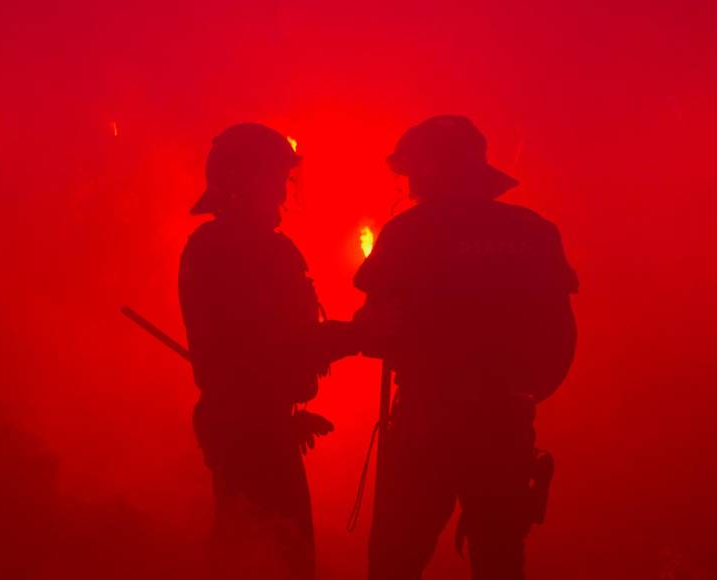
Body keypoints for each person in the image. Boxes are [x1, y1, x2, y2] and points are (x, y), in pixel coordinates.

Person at [353, 115, 578, 580]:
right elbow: (560, 336)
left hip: (426, 423)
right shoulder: (535, 232)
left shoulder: (408, 233)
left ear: (429, 172)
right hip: (505, 426)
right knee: (499, 557)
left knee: (397, 557)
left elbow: (375, 332)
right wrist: (518, 396)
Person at [178, 123, 348, 580]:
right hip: (249, 431)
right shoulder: (238, 250)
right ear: (245, 180)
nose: (282, 190)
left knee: (252, 545)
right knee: (272, 554)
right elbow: (266, 344)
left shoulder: (216, 247)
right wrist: (354, 337)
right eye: (275, 176)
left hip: (254, 424)